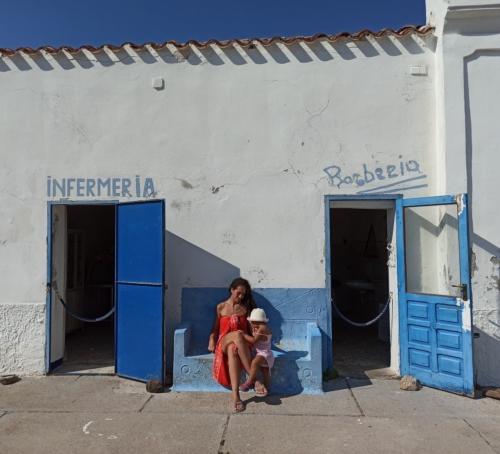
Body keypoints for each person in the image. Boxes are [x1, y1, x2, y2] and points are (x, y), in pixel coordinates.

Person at [208, 277, 256, 412]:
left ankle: (236, 396)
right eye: (238, 293)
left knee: (233, 349)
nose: (240, 296)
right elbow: (216, 328)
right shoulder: (221, 307)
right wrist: (211, 338)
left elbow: (252, 331)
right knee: (237, 336)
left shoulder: (245, 308)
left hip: (240, 344)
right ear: (232, 290)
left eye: (243, 294)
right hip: (223, 340)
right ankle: (254, 378)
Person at [239, 308, 274, 397]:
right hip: (263, 354)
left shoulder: (262, 328)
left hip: (264, 354)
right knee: (265, 373)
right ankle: (267, 389)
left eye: (252, 322)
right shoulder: (260, 327)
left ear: (256, 321)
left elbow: (253, 340)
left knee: (254, 363)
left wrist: (243, 335)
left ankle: (249, 382)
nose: (251, 324)